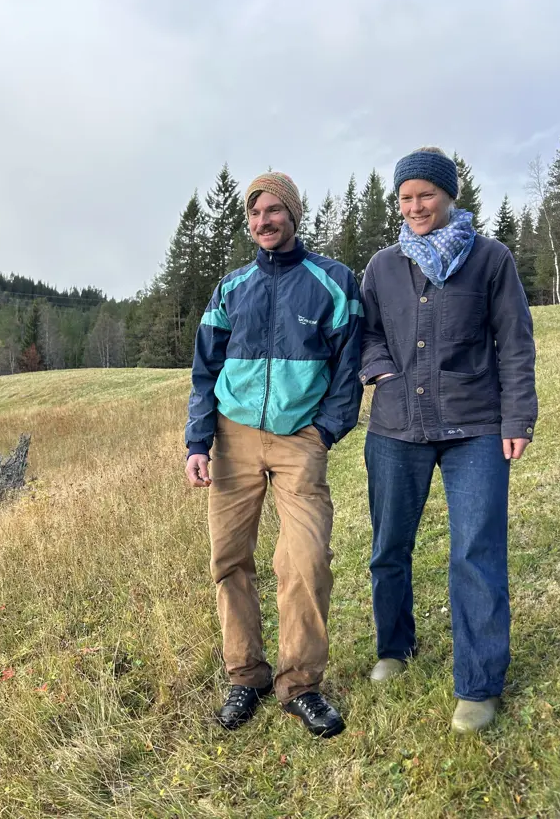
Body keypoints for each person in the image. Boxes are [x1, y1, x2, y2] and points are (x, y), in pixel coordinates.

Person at [359, 147, 537, 733]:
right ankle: (394, 647)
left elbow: (514, 342)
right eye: (406, 197)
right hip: (395, 427)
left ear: (449, 196)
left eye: (425, 195)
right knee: (389, 546)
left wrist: (516, 420)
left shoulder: (490, 259)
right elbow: (367, 333)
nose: (415, 206)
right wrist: (379, 369)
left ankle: (479, 686)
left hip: (476, 427)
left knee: (476, 553)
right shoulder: (382, 266)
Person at [185, 172, 363, 739]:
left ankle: (300, 685)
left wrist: (324, 432)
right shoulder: (231, 287)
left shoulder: (332, 282)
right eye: (255, 213)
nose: (264, 221)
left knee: (305, 560)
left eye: (274, 211)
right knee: (229, 560)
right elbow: (204, 370)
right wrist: (197, 441)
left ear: (293, 214)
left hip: (299, 440)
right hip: (233, 438)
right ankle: (246, 674)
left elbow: (349, 368)